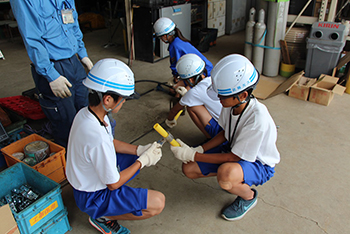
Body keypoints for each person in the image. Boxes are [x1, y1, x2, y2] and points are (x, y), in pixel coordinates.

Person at [170, 54, 280, 221]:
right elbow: (224, 133)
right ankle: (234, 179)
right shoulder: (231, 104)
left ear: (243, 95)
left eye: (222, 96)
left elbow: (234, 156)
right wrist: (200, 149)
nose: (218, 99)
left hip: (258, 163)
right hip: (234, 149)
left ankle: (248, 196)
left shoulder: (257, 119)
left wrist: (194, 155)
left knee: (226, 174)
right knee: (189, 169)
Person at [66, 58, 165, 234]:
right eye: (123, 98)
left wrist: (140, 150)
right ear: (108, 99)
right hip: (93, 197)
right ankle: (103, 217)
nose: (124, 102)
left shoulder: (87, 113)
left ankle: (110, 208)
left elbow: (110, 142)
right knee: (157, 202)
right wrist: (143, 161)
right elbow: (113, 184)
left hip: (84, 181)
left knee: (134, 158)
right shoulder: (96, 136)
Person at [10, 0, 94, 147]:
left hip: (74, 61)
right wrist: (51, 75)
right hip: (53, 66)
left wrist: (82, 54)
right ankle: (70, 163)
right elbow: (32, 39)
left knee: (87, 113)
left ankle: (89, 155)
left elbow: (72, 22)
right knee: (65, 123)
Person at [165, 53, 223, 141]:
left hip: (223, 131)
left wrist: (169, 120)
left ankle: (210, 138)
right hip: (231, 125)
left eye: (184, 80)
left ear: (191, 79)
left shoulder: (194, 92)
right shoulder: (211, 79)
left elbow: (174, 110)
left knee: (191, 107)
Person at [153, 17, 213, 91]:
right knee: (178, 89)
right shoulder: (179, 41)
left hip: (203, 74)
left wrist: (177, 78)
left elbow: (176, 65)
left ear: (165, 36)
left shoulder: (175, 46)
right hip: (206, 70)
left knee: (177, 91)